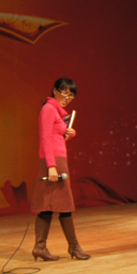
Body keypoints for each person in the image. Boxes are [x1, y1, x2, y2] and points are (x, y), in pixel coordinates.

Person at [31, 78, 91, 261]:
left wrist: (70, 134)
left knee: (49, 205)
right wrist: (51, 166)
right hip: (53, 162)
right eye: (64, 93)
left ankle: (40, 247)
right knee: (63, 205)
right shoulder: (49, 109)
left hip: (58, 160)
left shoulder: (57, 111)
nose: (67, 98)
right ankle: (74, 247)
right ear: (55, 90)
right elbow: (45, 139)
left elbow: (57, 138)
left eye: (71, 95)